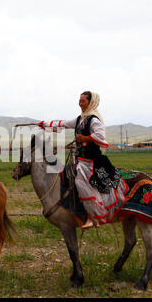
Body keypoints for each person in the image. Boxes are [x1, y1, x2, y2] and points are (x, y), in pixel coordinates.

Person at [38, 91, 127, 229]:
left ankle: (93, 216)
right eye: (79, 101)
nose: (80, 103)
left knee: (81, 180)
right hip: (81, 160)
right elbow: (63, 124)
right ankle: (72, 211)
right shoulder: (80, 119)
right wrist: (45, 124)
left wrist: (85, 138)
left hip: (92, 161)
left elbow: (101, 137)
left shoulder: (94, 120)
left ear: (90, 102)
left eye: (83, 101)